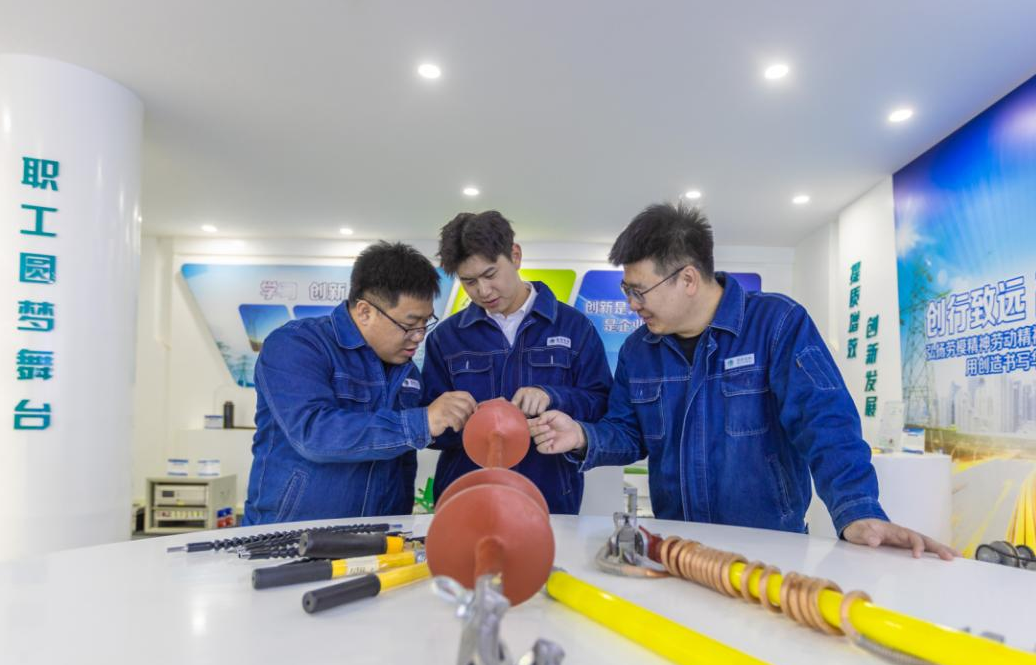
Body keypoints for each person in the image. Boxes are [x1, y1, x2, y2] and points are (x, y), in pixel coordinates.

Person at [528, 203, 957, 559]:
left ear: (688, 279)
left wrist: (857, 510)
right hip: (680, 550)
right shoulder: (639, 350)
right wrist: (581, 435)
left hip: (771, 549)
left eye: (639, 291)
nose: (631, 304)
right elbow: (628, 433)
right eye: (627, 290)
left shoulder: (777, 324)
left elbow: (825, 421)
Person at [243, 241, 476, 525]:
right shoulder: (297, 345)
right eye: (409, 324)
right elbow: (314, 434)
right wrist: (421, 422)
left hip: (380, 536)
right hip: (291, 535)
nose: (419, 336)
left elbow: (420, 442)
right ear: (365, 311)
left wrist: (488, 419)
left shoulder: (407, 373)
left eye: (425, 322)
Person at [422, 211, 612, 513]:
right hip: (467, 499)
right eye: (469, 281)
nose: (483, 291)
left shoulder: (574, 327)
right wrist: (466, 419)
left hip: (549, 498)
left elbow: (602, 405)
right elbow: (432, 432)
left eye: (490, 275)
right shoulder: (446, 338)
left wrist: (553, 397)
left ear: (515, 256)